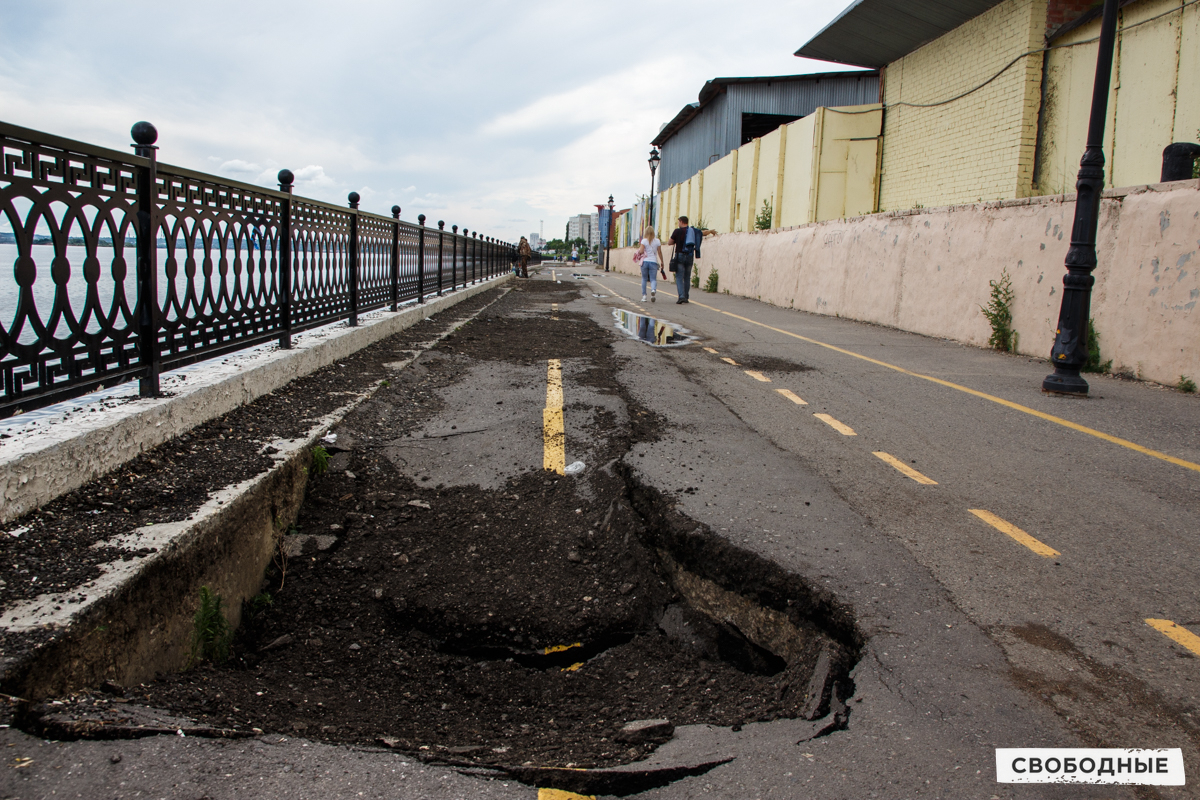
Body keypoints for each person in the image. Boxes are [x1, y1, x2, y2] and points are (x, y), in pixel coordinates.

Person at [668, 216, 698, 304]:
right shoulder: (691, 231)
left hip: (680, 255)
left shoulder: (677, 231)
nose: (678, 224)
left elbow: (670, 242)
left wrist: (676, 241)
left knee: (679, 277)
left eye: (679, 222)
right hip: (689, 256)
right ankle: (686, 297)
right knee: (687, 277)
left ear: (681, 222)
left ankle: (681, 296)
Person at [633, 225, 662, 302]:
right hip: (653, 262)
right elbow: (659, 252)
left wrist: (639, 251)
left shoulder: (644, 241)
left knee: (644, 279)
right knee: (653, 279)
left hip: (645, 262)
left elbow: (642, 251)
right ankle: (653, 290)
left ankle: (644, 296)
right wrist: (662, 261)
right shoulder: (657, 241)